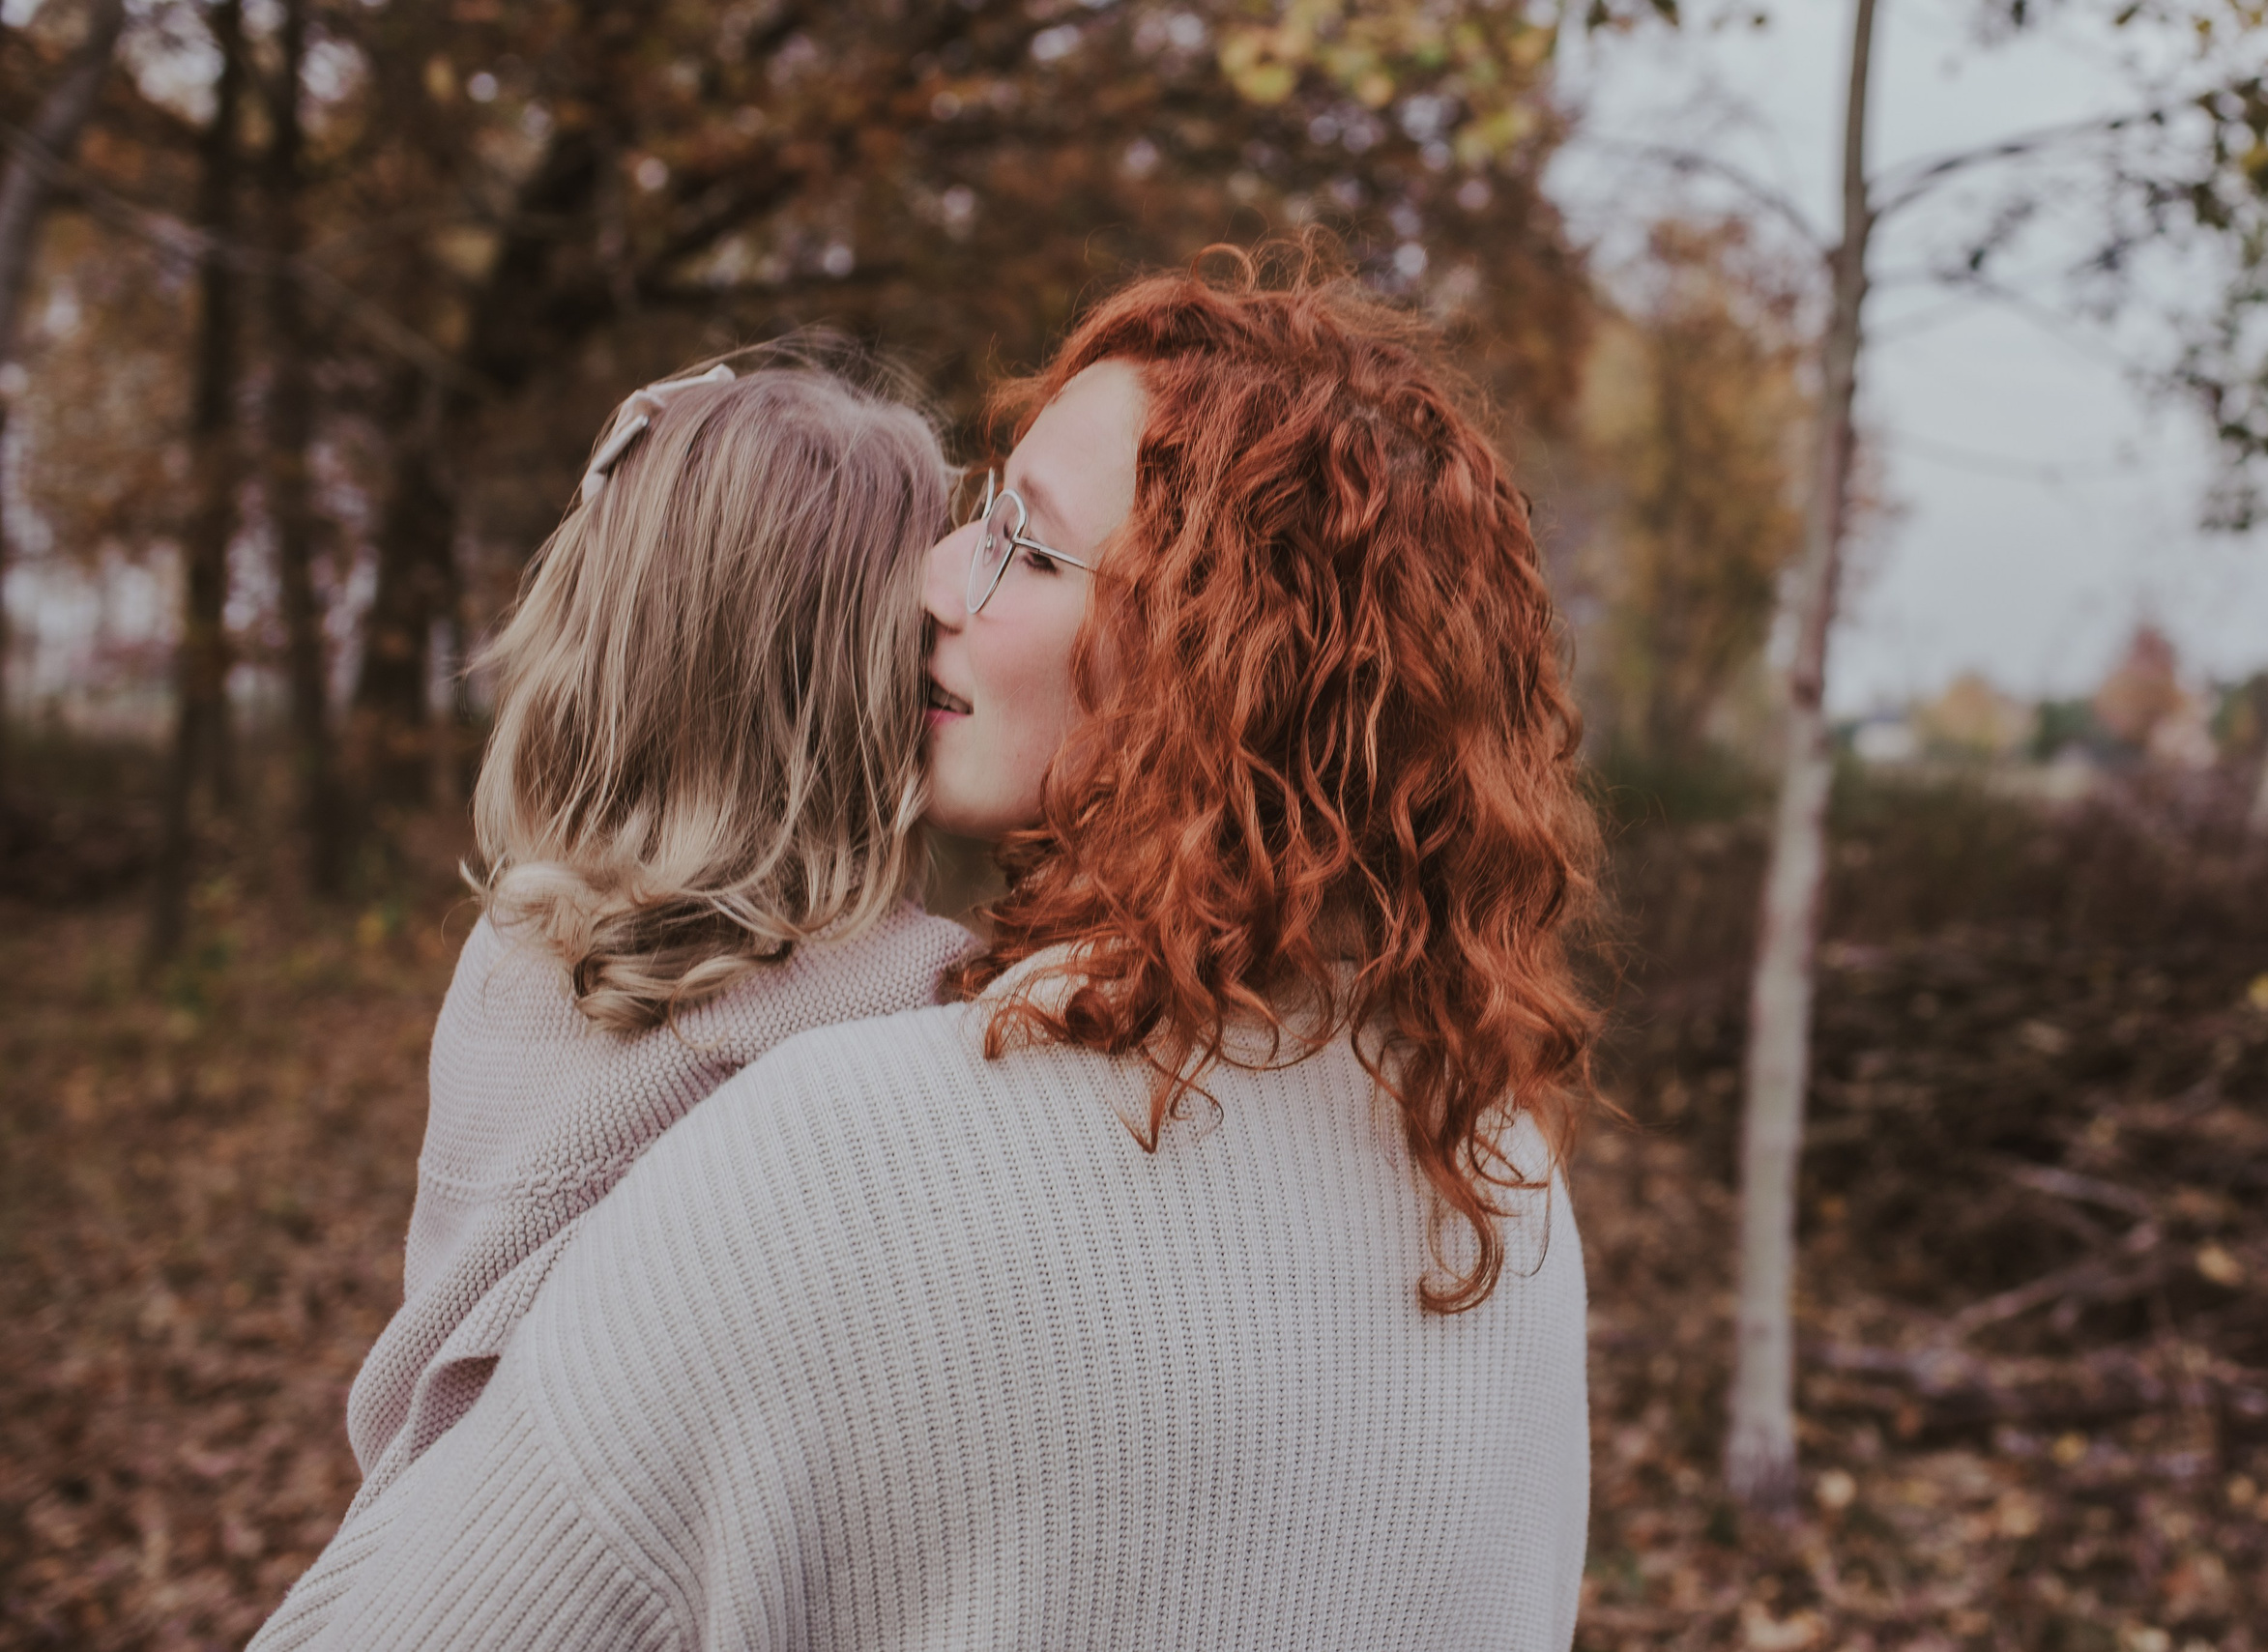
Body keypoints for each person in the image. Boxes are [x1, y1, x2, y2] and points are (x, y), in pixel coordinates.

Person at [250, 252, 1599, 1651]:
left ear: (1209, 660)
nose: (940, 577)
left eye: (1020, 539)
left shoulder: (843, 1155)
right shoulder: (1499, 1180)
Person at [337, 350, 978, 1496]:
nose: (960, 633)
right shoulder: (912, 1000)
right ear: (845, 671)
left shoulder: (514, 947)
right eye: (930, 610)